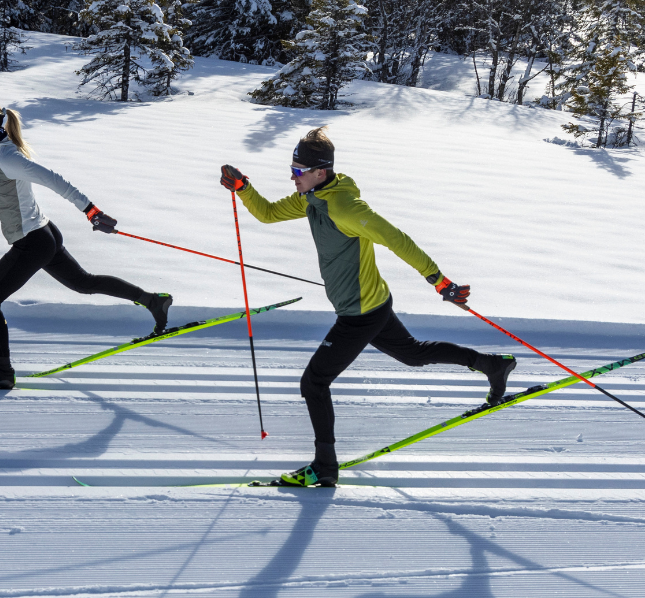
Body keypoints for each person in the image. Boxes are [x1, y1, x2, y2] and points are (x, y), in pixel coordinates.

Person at [220, 126, 516, 487]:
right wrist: (244, 190)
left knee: (314, 382)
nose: (292, 176)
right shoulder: (311, 198)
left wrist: (438, 280)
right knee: (413, 354)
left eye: (298, 170)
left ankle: (325, 467)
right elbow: (267, 214)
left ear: (320, 171)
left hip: (360, 313)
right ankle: (492, 365)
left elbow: (396, 239)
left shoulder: (345, 207)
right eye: (292, 168)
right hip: (371, 303)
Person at [0, 99, 173, 390]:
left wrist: (90, 210)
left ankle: (2, 373)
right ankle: (154, 300)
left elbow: (53, 179)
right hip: (43, 233)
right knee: (84, 283)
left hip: (32, 241)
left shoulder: (9, 158)